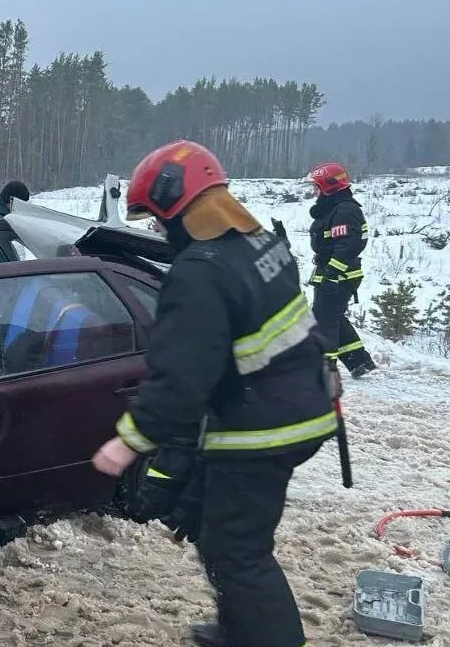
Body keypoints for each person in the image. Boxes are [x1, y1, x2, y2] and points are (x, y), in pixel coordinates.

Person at [92, 140, 337, 647]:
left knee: (238, 552)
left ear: (179, 207)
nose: (160, 231)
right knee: (214, 529)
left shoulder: (199, 271)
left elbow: (181, 378)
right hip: (300, 405)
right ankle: (240, 628)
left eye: (160, 220)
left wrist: (129, 440)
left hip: (262, 427)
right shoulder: (260, 244)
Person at [305, 162, 377, 378]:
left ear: (329, 187)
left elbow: (347, 245)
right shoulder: (334, 208)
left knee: (324, 320)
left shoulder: (345, 210)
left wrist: (333, 274)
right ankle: (359, 362)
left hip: (340, 275)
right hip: (332, 272)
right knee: (333, 316)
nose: (314, 191)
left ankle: (325, 370)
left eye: (317, 187)